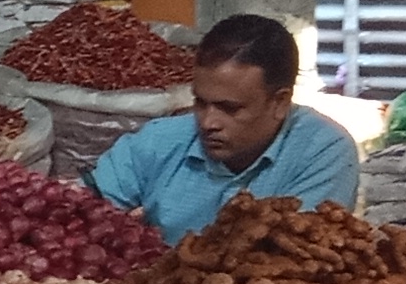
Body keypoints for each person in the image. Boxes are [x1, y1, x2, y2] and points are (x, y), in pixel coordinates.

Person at [85, 14, 361, 243]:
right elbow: (82, 212)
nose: (208, 123)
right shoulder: (159, 141)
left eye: (229, 109)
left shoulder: (324, 152)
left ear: (279, 102)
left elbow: (298, 256)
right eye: (200, 103)